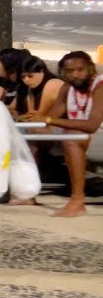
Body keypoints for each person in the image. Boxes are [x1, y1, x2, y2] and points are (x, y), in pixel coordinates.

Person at [38, 51, 103, 218]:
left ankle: (77, 201)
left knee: (71, 137)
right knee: (35, 131)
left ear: (91, 68)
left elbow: (91, 125)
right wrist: (40, 124)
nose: (76, 75)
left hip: (97, 133)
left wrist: (50, 120)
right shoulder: (67, 88)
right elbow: (52, 117)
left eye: (80, 70)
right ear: (63, 73)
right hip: (85, 134)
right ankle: (27, 191)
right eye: (70, 71)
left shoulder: (100, 86)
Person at [14, 56, 65, 123]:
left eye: (30, 76)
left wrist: (20, 118)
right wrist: (19, 117)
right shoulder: (28, 88)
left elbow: (40, 116)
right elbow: (30, 114)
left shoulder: (53, 83)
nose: (26, 80)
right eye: (23, 77)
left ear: (42, 71)